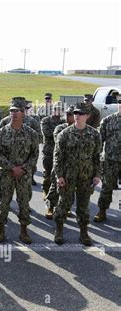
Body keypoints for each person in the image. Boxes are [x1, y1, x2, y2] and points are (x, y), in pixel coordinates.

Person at [53, 103, 102, 246]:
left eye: (80, 114)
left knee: (83, 205)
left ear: (87, 116)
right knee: (63, 203)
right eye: (75, 113)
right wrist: (59, 175)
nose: (77, 116)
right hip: (68, 175)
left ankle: (84, 232)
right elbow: (58, 156)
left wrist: (97, 174)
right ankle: (59, 230)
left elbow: (97, 157)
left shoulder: (94, 134)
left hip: (86, 176)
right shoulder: (65, 134)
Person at [0, 99, 39, 244]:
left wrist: (24, 168)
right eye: (12, 111)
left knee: (24, 203)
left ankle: (24, 230)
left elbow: (35, 154)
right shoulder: (1, 132)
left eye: (17, 111)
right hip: (6, 174)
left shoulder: (31, 133)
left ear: (23, 113)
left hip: (24, 175)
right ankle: (0, 229)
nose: (13, 113)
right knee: (3, 202)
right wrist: (12, 168)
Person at [94, 93, 121, 222]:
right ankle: (102, 211)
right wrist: (96, 159)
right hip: (111, 160)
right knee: (107, 187)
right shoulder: (108, 121)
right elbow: (99, 141)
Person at [45, 106, 75, 219]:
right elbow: (59, 142)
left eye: (71, 115)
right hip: (60, 163)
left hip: (73, 164)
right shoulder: (59, 128)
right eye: (67, 114)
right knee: (55, 186)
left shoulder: (81, 129)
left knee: (71, 188)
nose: (68, 117)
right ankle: (50, 207)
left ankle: (67, 208)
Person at [40, 102, 64, 199]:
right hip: (49, 151)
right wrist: (61, 133)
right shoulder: (45, 120)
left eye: (59, 109)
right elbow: (48, 133)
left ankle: (58, 194)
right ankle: (46, 190)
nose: (57, 111)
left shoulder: (63, 122)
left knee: (59, 175)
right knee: (48, 174)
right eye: (55, 109)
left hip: (60, 152)